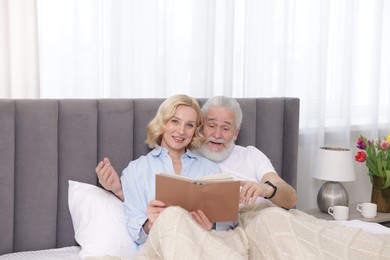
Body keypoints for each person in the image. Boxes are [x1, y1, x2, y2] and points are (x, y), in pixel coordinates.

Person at [97, 96, 297, 209]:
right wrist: (118, 190)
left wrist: (266, 189)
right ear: (201, 129)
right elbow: (143, 198)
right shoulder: (185, 155)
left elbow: (290, 199)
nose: (217, 134)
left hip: (263, 215)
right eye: (211, 125)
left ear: (236, 132)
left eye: (226, 128)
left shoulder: (251, 155)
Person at [95, 94, 235, 247]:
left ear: (195, 131)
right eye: (175, 121)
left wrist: (212, 226)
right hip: (159, 248)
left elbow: (231, 221)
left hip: (199, 246)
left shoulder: (210, 169)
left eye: (189, 125)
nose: (181, 131)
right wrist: (150, 223)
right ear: (162, 123)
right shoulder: (136, 170)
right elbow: (134, 227)